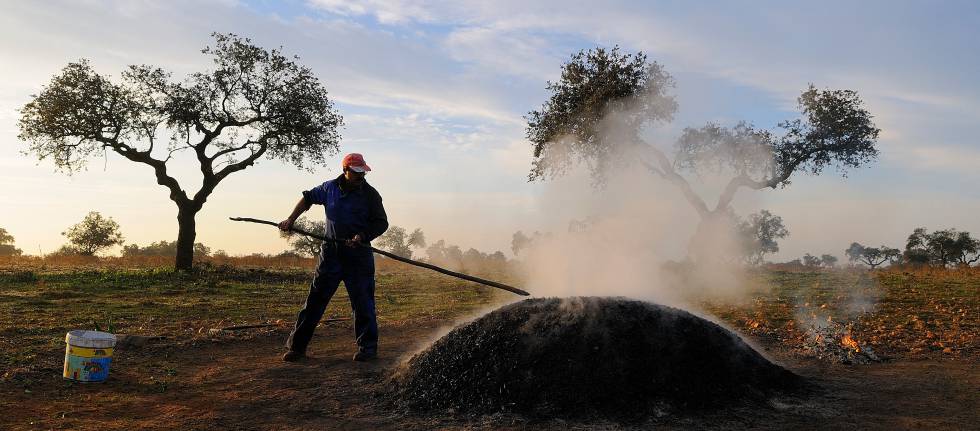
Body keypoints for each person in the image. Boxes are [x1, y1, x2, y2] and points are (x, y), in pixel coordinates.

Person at [278, 153, 388, 362]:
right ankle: (297, 348)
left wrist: (362, 236)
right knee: (315, 300)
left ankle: (368, 349)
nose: (361, 176)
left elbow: (381, 223)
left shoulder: (371, 194)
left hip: (359, 256)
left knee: (363, 302)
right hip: (331, 255)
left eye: (363, 171)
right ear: (345, 170)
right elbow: (308, 198)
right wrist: (291, 219)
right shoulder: (329, 189)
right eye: (356, 172)